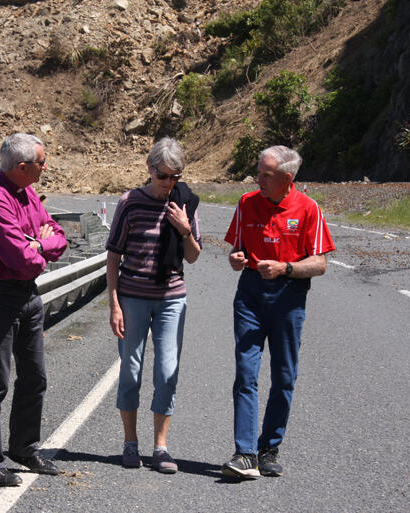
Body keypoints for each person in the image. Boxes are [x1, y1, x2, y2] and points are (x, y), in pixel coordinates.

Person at [221, 145, 336, 479]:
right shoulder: (246, 203)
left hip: (288, 296)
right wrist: (236, 259)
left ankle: (268, 447)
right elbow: (236, 249)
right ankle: (244, 453)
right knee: (246, 371)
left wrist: (286, 268)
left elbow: (321, 263)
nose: (259, 179)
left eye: (266, 175)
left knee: (284, 376)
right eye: (259, 172)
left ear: (288, 179)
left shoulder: (309, 209)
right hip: (250, 294)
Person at [0, 133, 68, 487]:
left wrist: (38, 241)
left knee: (35, 376)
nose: (46, 168)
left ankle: (24, 448)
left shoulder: (25, 193)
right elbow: (21, 260)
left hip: (27, 294)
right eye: (43, 163)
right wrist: (40, 247)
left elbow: (59, 237)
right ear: (23, 167)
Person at [106, 137, 201, 473]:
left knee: (167, 372)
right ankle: (130, 443)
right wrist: (114, 305)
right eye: (163, 176)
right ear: (150, 170)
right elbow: (113, 256)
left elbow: (192, 256)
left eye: (175, 177)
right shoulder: (130, 203)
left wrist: (185, 228)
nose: (169, 183)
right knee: (131, 371)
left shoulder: (183, 203)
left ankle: (160, 448)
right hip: (132, 298)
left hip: (171, 299)